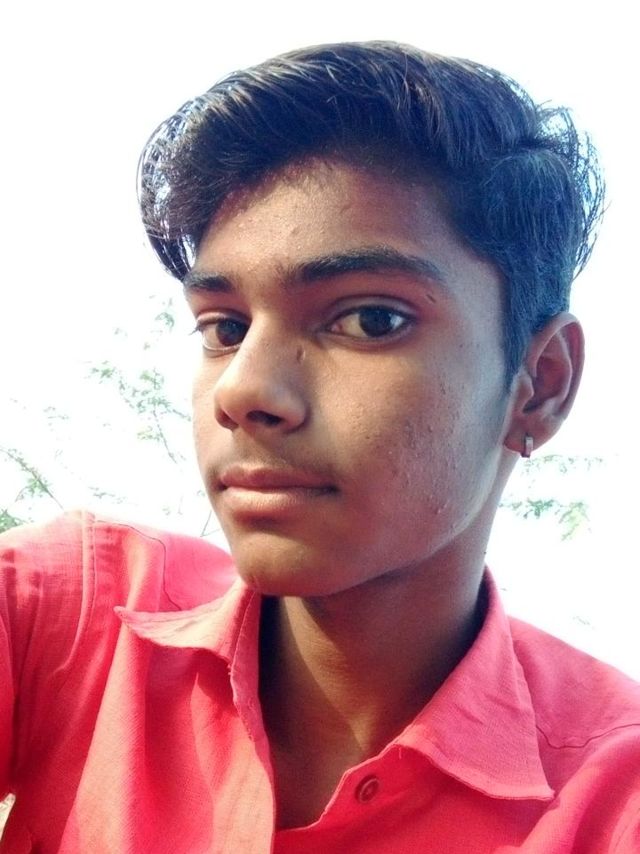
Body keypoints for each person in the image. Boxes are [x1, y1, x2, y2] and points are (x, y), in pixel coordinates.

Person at [1, 41, 638, 853]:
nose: (244, 391)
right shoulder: (71, 616)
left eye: (370, 319)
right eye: (225, 328)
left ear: (540, 385)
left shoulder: (611, 802)